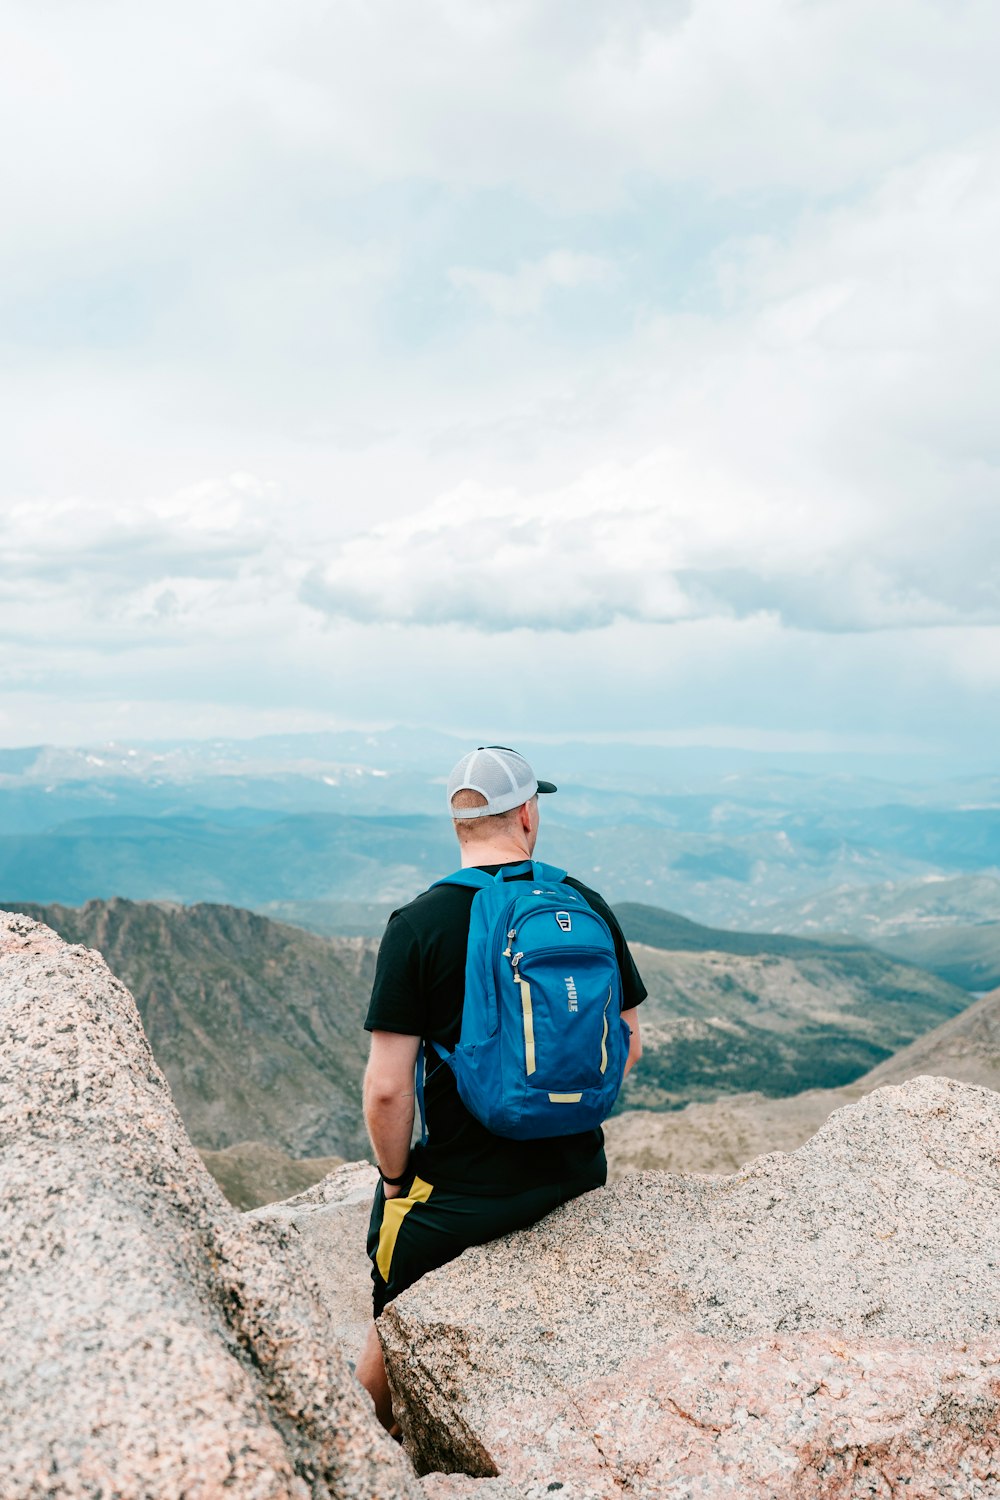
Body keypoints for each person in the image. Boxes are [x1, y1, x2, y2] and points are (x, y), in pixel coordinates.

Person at [355, 745, 646, 1430]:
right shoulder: (583, 904)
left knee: (389, 1295)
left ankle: (362, 1436)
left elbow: (388, 1091)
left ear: (458, 823)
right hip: (578, 1173)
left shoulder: (417, 925)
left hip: (465, 1200)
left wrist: (397, 1185)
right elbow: (627, 1040)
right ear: (525, 814)